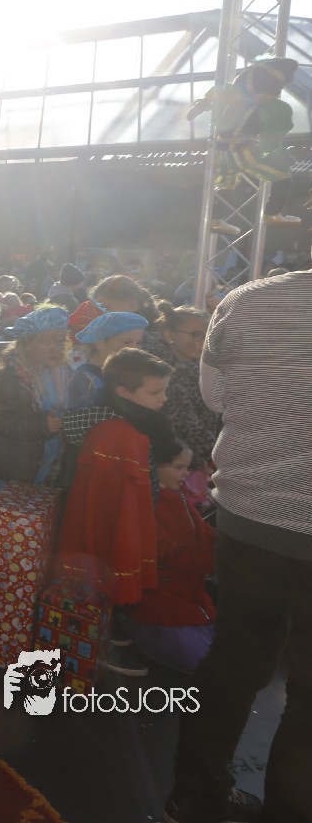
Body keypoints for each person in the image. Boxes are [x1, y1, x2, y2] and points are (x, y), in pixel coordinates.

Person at [163, 269, 312, 823]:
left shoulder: (249, 301)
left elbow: (215, 395)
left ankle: (194, 799)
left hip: (251, 517)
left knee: (233, 662)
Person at [54, 348, 178, 676]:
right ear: (123, 391)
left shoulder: (142, 420)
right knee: (104, 572)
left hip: (127, 510)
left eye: (164, 390)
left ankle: (109, 627)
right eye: (156, 392)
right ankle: (96, 640)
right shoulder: (118, 428)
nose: (164, 399)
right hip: (113, 516)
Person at [126, 440, 216, 675]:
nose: (187, 474)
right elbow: (169, 552)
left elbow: (202, 531)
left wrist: (226, 545)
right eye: (179, 468)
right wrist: (221, 560)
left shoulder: (177, 496)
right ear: (154, 467)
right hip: (161, 609)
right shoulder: (149, 503)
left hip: (185, 598)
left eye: (187, 467)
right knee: (207, 668)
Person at [0, 306, 71, 485]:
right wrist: (40, 425)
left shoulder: (60, 373)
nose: (56, 349)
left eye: (60, 342)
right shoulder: (8, 378)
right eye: (46, 343)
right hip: (18, 469)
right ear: (26, 345)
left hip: (50, 467)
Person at [141, 306, 220, 487]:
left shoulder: (204, 369)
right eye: (196, 335)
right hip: (171, 466)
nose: (203, 342)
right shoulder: (159, 374)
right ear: (169, 335)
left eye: (208, 335)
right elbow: (186, 426)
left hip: (202, 464)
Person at [66, 311, 149, 410]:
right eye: (126, 342)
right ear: (100, 343)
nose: (135, 348)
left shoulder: (127, 373)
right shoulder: (85, 379)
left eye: (139, 343)